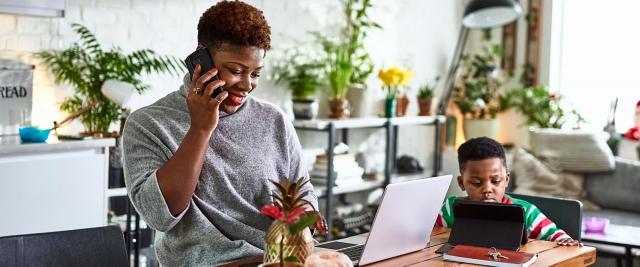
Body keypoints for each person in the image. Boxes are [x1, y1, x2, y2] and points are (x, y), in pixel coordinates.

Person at [122, 1, 325, 265]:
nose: (247, 84)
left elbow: (302, 188)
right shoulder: (148, 123)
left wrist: (304, 215)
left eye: (255, 73)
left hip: (281, 258)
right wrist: (201, 128)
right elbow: (159, 215)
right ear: (201, 59)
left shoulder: (273, 119)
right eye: (236, 70)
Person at [435, 137, 581, 246]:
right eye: (476, 183)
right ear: (462, 183)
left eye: (496, 181)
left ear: (506, 179)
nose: (487, 189)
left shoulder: (526, 212)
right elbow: (427, 232)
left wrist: (566, 241)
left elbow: (557, 237)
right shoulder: (450, 209)